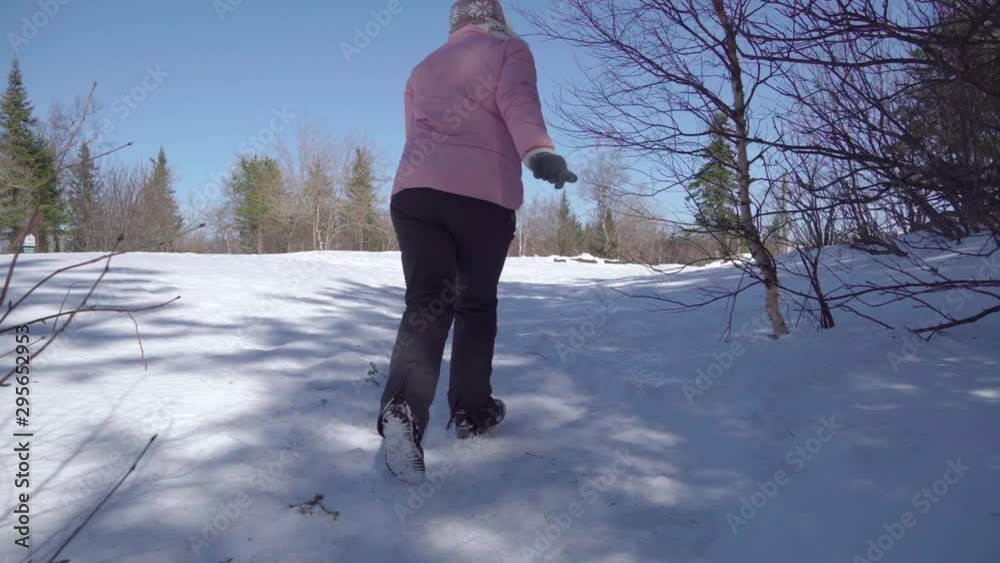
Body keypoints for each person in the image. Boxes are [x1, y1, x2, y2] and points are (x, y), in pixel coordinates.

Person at [377, 0, 577, 482]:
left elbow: (413, 135)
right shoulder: (509, 49)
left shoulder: (423, 66)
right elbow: (518, 104)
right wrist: (539, 153)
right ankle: (471, 411)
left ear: (455, 22)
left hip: (416, 193)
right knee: (475, 306)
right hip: (482, 199)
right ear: (496, 18)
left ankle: (403, 408)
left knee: (426, 302)